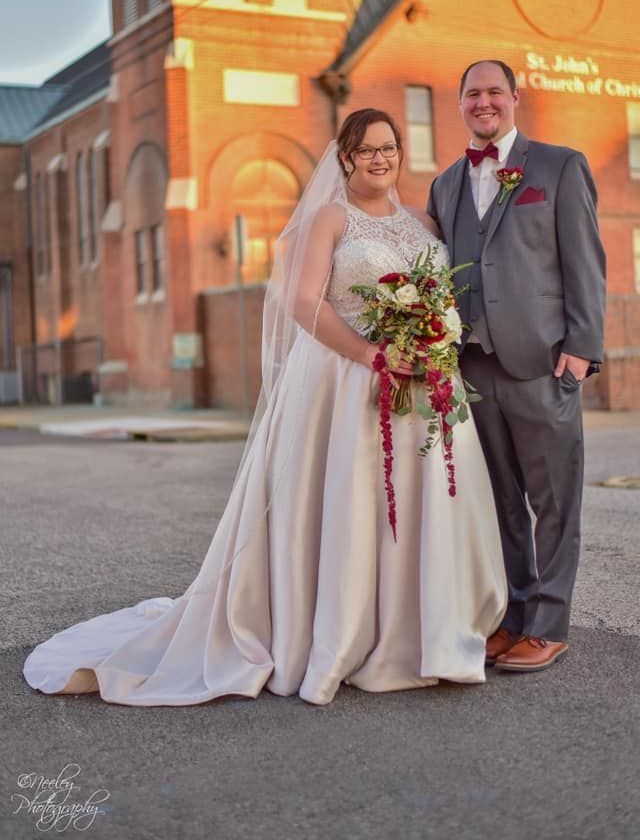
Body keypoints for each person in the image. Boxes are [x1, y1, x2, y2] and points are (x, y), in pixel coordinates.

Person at [24, 109, 506, 707]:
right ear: (346, 158)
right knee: (354, 508)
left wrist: (430, 343)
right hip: (349, 386)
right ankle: (347, 631)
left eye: (389, 148)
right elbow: (304, 303)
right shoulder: (332, 219)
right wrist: (373, 354)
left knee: (420, 507)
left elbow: (441, 293)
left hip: (425, 392)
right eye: (366, 149)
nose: (380, 158)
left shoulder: (423, 220)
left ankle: (421, 629)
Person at [428, 61, 606, 672]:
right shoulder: (447, 183)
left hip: (543, 364)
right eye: (472, 92)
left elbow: (585, 262)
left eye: (494, 92)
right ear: (460, 104)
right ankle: (514, 614)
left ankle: (551, 625)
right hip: (474, 368)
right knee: (499, 500)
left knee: (555, 503)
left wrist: (579, 353)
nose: (484, 102)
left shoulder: (558, 166)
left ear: (513, 99)